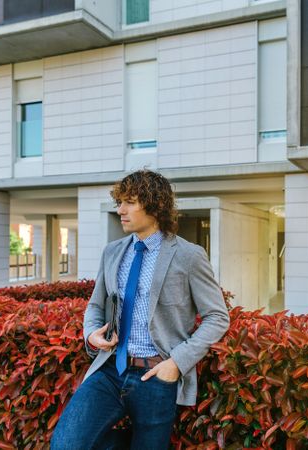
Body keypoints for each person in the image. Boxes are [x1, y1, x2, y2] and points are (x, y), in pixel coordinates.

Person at [51, 170, 230, 450]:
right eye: (119, 202)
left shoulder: (189, 255)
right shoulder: (112, 251)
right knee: (66, 444)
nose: (120, 210)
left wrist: (176, 364)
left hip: (156, 375)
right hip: (110, 369)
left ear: (155, 205)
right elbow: (96, 306)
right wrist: (90, 336)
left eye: (130, 202)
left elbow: (217, 316)